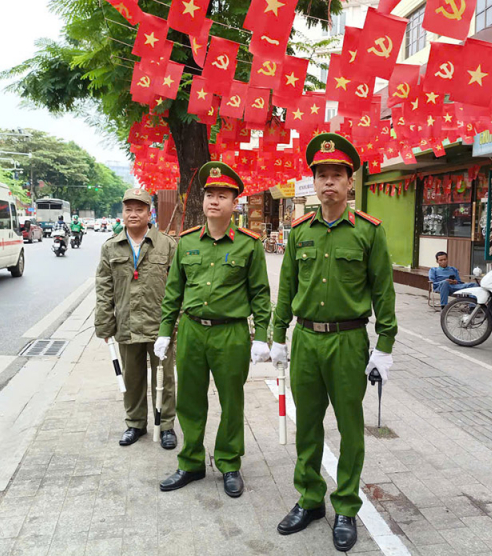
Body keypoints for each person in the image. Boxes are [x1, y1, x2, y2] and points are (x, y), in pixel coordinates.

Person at [271, 133, 397, 552]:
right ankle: (309, 499)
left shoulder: (368, 232)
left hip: (348, 342)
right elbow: (286, 286)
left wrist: (385, 345)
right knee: (306, 424)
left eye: (337, 175)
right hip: (305, 340)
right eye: (322, 175)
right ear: (314, 183)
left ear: (349, 184)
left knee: (349, 428)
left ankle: (345, 506)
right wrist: (277, 337)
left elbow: (383, 291)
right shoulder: (299, 232)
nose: (329, 182)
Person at [154, 161, 271, 498]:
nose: (214, 201)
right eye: (209, 195)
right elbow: (173, 291)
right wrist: (166, 331)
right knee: (190, 399)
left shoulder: (249, 245)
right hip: (191, 331)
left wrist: (260, 336)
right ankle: (190, 462)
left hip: (230, 333)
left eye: (223, 195)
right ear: (203, 202)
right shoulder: (187, 242)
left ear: (235, 204)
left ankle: (229, 462)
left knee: (232, 401)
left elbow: (260, 294)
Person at [95, 188, 179, 450]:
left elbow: (179, 287)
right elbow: (104, 287)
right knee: (132, 378)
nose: (133, 214)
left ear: (148, 212)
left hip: (160, 325)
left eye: (139, 209)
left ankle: (165, 425)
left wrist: (176, 322)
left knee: (164, 378)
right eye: (128, 209)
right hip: (127, 324)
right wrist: (104, 324)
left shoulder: (167, 244)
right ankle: (135, 424)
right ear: (123, 212)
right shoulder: (110, 247)